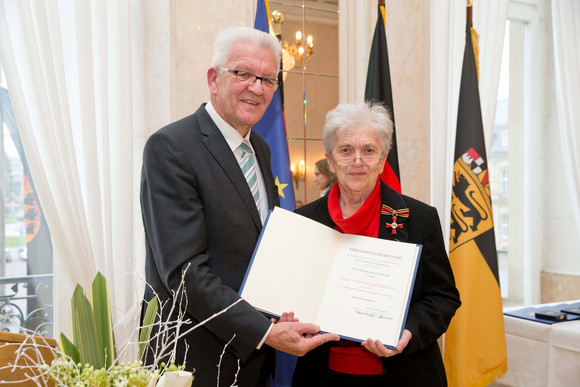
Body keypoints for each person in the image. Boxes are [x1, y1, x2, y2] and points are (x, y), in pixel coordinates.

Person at [140, 26, 339, 387]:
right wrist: (263, 331)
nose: (257, 88)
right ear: (214, 79)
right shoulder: (171, 147)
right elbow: (185, 274)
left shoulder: (260, 149)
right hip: (192, 361)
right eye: (244, 74)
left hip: (252, 361)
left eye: (267, 79)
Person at [291, 102, 461, 387]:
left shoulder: (419, 218)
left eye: (368, 151)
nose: (358, 161)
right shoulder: (304, 221)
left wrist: (409, 331)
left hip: (404, 374)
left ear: (382, 160)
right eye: (346, 150)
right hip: (322, 374)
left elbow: (444, 297)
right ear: (331, 161)